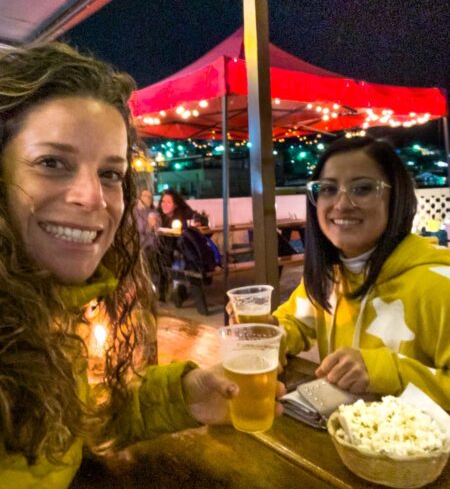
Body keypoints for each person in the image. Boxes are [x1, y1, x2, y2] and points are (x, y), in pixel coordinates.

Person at [0, 42, 284, 487]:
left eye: (110, 173)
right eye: (52, 162)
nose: (93, 197)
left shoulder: (45, 316)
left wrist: (184, 397)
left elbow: (64, 431)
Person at [273, 136, 450, 410]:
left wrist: (385, 370)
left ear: (397, 198)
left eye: (363, 188)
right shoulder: (330, 275)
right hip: (345, 441)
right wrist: (271, 334)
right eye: (328, 190)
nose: (341, 204)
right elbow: (295, 321)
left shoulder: (438, 285)